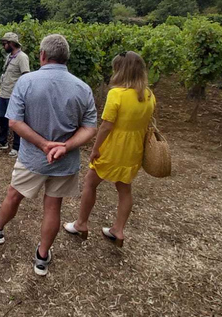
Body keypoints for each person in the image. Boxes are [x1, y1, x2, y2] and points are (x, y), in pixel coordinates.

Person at [0, 34, 97, 276]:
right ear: (66, 58)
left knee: (14, 195)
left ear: (43, 56)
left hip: (33, 159)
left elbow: (14, 122)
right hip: (65, 162)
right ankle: (42, 257)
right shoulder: (82, 87)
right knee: (53, 207)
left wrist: (44, 145)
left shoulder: (27, 82)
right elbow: (90, 128)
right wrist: (64, 147)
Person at [64, 51, 156, 248]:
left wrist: (96, 149)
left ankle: (81, 224)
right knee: (124, 189)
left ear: (121, 71)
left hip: (114, 148)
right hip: (134, 150)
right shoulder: (149, 95)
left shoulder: (117, 94)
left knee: (90, 183)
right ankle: (118, 230)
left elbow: (106, 126)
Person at [0, 32, 30, 158]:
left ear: (12, 43)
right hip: (4, 94)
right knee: (2, 119)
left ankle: (17, 147)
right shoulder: (9, 57)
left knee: (16, 121)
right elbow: (6, 75)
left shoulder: (22, 57)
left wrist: (21, 94)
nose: (3, 46)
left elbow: (25, 76)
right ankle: (2, 142)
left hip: (14, 95)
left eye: (4, 43)